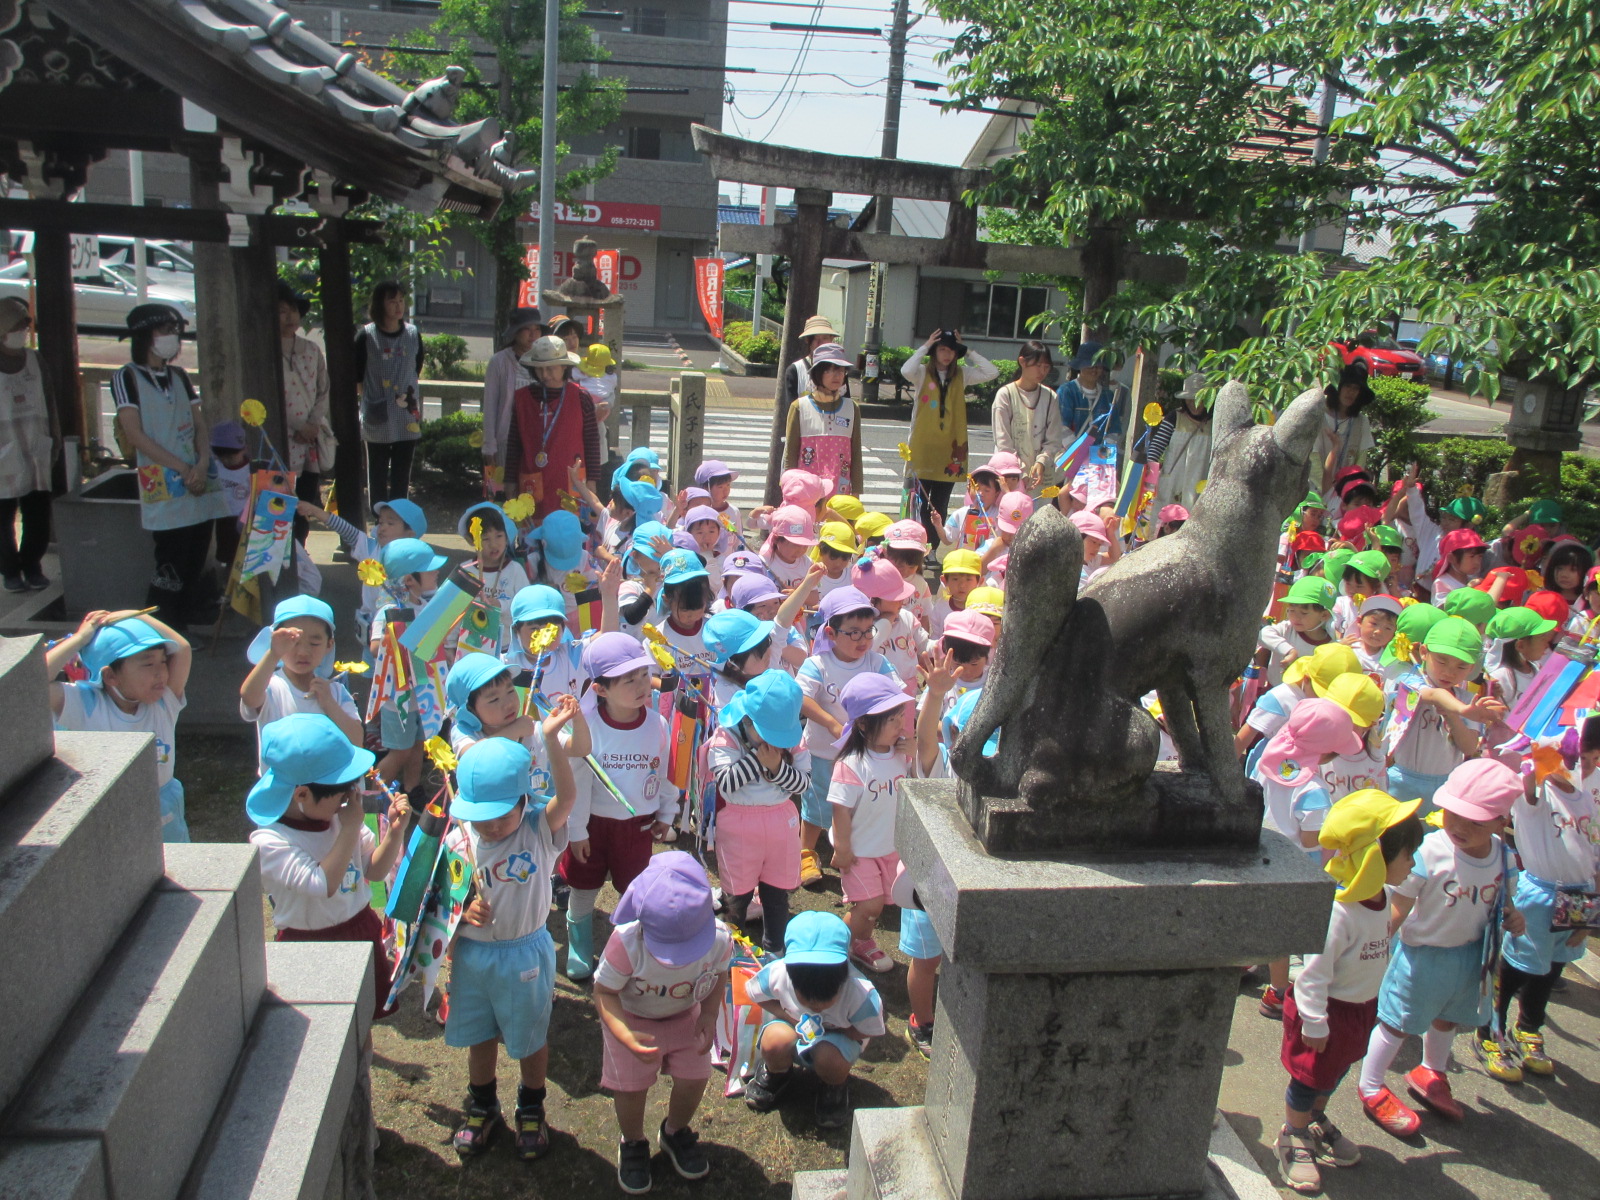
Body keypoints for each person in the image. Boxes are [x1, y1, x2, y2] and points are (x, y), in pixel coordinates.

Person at [1357, 759, 1524, 1136]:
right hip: (1423, 955)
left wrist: (1514, 919)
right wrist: (1372, 944)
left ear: (1501, 822)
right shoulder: (1431, 850)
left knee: (1448, 1016)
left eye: (1476, 822)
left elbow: (1504, 902)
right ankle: (1370, 1084)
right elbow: (1399, 904)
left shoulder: (1504, 856)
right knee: (1397, 1022)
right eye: (1454, 814)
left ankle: (1431, 1069)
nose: (1460, 827)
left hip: (1471, 955)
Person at [1274, 790, 1425, 1194]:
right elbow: (1313, 972)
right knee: (1308, 1079)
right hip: (1325, 1013)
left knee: (1334, 1073)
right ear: (1376, 856)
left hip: (1358, 1011)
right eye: (1407, 854)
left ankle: (1315, 1120)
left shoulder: (1383, 897)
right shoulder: (1339, 911)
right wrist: (1315, 1020)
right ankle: (1292, 1134)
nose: (1412, 863)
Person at [444, 732, 579, 1162]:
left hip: (525, 954)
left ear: (524, 800)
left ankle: (531, 1106)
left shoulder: (537, 830)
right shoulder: (458, 839)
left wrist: (555, 741)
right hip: (472, 956)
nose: (492, 826)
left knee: (529, 1036)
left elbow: (568, 795)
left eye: (501, 815)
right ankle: (482, 1105)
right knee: (479, 1034)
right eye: (481, 817)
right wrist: (462, 912)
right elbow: (443, 894)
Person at [245, 713, 409, 1021]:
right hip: (309, 944)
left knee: (360, 1020)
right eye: (341, 793)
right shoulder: (270, 841)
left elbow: (372, 871)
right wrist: (348, 830)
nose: (350, 800)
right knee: (321, 1026)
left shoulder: (340, 816)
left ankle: (360, 1066)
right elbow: (321, 885)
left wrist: (396, 833)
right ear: (303, 794)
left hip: (360, 927)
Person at [594, 852, 733, 1194]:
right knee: (630, 1087)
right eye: (671, 948)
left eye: (689, 945)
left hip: (686, 1016)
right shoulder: (627, 943)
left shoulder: (718, 938)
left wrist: (711, 1014)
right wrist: (623, 1034)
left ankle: (674, 1131)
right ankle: (633, 1141)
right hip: (632, 1020)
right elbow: (604, 992)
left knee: (695, 1078)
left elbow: (718, 974)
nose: (682, 956)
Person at [1476, 721, 1600, 1083]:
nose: (1585, 768)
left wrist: (1591, 913)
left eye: (1592, 760)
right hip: (1540, 894)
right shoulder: (1537, 793)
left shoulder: (1590, 795)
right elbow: (1521, 763)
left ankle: (1529, 1026)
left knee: (1552, 968)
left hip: (1580, 898)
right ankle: (1489, 1031)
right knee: (1517, 968)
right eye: (1578, 759)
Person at [564, 633, 680, 981]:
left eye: (644, 674)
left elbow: (664, 772)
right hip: (593, 827)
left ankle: (626, 950)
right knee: (584, 887)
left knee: (634, 892)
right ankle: (579, 944)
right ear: (600, 689)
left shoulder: (656, 724)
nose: (642, 684)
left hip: (637, 828)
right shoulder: (588, 726)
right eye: (629, 679)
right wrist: (577, 831)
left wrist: (666, 812)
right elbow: (578, 784)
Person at [112, 302, 230, 630]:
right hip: (163, 480)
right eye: (164, 330)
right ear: (144, 336)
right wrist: (181, 467)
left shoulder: (178, 375)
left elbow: (199, 424)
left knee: (194, 560)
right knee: (170, 564)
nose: (171, 338)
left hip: (197, 480)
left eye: (174, 331)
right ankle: (164, 630)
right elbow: (134, 433)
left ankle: (185, 626)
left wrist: (203, 460)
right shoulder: (126, 377)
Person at [47, 610, 193, 841]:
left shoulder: (164, 702)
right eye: (148, 664)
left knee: (178, 868)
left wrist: (133, 615)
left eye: (163, 662)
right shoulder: (84, 704)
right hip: (109, 810)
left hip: (163, 806)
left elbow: (182, 648)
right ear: (110, 676)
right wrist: (80, 639)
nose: (161, 673)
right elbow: (31, 681)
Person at [795, 587, 903, 886]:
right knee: (818, 802)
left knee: (859, 802)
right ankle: (806, 852)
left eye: (868, 632)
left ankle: (856, 851)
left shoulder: (877, 663)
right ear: (830, 633)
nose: (864, 640)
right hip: (825, 751)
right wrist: (831, 723)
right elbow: (801, 697)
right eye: (853, 633)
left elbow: (899, 693)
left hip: (865, 756)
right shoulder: (818, 664)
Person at [742, 910, 887, 1130]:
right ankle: (777, 1073)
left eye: (827, 997)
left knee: (830, 1059)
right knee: (774, 1042)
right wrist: (786, 1017)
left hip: (838, 1039)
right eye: (805, 996)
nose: (816, 1005)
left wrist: (843, 1033)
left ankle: (833, 1085)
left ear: (844, 972)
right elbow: (754, 993)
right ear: (790, 971)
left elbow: (870, 1028)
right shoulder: (778, 973)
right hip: (794, 1026)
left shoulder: (860, 992)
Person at [708, 669, 809, 956]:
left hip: (782, 823)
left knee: (777, 895)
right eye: (766, 734)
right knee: (736, 896)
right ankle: (732, 950)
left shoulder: (795, 741)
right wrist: (757, 758)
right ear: (747, 719)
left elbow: (802, 783)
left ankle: (774, 949)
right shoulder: (726, 736)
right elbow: (726, 784)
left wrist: (777, 768)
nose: (773, 742)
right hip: (739, 824)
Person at [828, 673, 917, 975]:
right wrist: (842, 849)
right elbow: (840, 810)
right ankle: (860, 943)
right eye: (892, 721)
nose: (901, 727)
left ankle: (841, 937)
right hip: (859, 850)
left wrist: (913, 754)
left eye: (900, 718)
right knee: (871, 906)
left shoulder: (900, 755)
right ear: (864, 724)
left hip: (890, 847)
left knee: (877, 905)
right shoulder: (851, 764)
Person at [239, 595, 362, 769]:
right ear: (275, 642)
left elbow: (357, 741)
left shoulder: (335, 691)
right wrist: (273, 654)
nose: (303, 652)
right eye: (293, 642)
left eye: (314, 643)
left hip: (328, 791)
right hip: (284, 792)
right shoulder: (272, 687)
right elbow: (249, 696)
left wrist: (329, 704)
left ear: (329, 645)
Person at [902, 328, 998, 545]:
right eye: (942, 349)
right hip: (923, 446)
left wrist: (969, 351)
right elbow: (905, 369)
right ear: (934, 351)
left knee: (940, 502)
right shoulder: (921, 373)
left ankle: (934, 547)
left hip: (950, 450)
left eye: (952, 350)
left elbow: (992, 372)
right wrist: (925, 345)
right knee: (918, 501)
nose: (947, 354)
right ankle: (917, 544)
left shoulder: (962, 374)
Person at [508, 335, 601, 520]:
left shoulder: (581, 397)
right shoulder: (522, 398)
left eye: (550, 369)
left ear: (564, 367)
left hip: (571, 481)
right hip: (531, 480)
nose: (545, 375)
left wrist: (592, 484)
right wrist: (509, 483)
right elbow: (514, 444)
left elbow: (592, 443)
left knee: (568, 536)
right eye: (540, 369)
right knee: (534, 538)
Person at [0, 297, 58, 592]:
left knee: (37, 513)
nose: (22, 332)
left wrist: (55, 441)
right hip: (3, 455)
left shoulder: (35, 361)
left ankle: (32, 564)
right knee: (3, 517)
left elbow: (49, 401)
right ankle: (10, 570)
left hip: (35, 449)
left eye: (24, 326)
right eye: (16, 326)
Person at [354, 281, 423, 503]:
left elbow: (416, 367)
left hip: (406, 414)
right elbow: (357, 376)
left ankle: (399, 518)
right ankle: (378, 520)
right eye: (392, 301)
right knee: (377, 471)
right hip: (377, 412)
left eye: (401, 300)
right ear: (379, 304)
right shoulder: (366, 336)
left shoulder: (413, 334)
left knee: (403, 473)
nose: (398, 306)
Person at [277, 282, 335, 544]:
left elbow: (324, 390)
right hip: (281, 439)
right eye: (281, 312)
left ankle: (300, 552)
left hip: (309, 440)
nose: (289, 318)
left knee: (304, 503)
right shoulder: (263, 352)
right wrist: (297, 425)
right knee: (278, 504)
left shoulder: (312, 350)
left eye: (293, 311)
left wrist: (312, 424)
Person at [783, 342, 862, 497]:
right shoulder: (799, 406)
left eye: (840, 370)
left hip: (841, 489)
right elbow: (790, 452)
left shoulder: (852, 408)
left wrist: (857, 491)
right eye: (829, 370)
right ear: (818, 373)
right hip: (806, 490)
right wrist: (788, 486)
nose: (837, 375)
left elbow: (856, 452)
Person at [481, 306, 544, 497]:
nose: (533, 334)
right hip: (505, 439)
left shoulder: (545, 362)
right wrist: (489, 444)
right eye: (527, 329)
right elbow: (490, 404)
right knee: (501, 496)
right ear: (516, 332)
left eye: (537, 329)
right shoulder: (499, 362)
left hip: (536, 440)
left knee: (531, 496)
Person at [990, 340, 1063, 492]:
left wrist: (1042, 461)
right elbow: (1003, 441)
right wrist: (1021, 470)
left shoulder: (1050, 397)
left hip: (1041, 475)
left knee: (1039, 515)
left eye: (1046, 367)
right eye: (1038, 365)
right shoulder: (1006, 395)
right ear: (1022, 362)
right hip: (1010, 474)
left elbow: (1054, 439)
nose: (1042, 371)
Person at [1149, 373, 1213, 518]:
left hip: (1199, 481)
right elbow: (1157, 446)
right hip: (1173, 481)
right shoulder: (1174, 418)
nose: (1193, 403)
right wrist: (1150, 471)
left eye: (1198, 399)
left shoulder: (1213, 423)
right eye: (1189, 399)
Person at [1056, 341, 1127, 453]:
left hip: (1098, 459)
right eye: (1090, 365)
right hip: (1069, 456)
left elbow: (1114, 429)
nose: (1094, 370)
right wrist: (1076, 452)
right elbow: (1060, 426)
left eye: (1098, 366)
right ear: (1080, 366)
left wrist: (1103, 451)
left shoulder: (1108, 395)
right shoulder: (1066, 391)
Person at [781, 315, 851, 411]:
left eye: (825, 338)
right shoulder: (795, 370)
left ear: (831, 339)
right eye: (815, 338)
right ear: (807, 340)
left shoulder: (839, 368)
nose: (820, 343)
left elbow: (846, 406)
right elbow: (791, 411)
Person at [209, 419, 251, 574]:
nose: (226, 459)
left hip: (245, 521)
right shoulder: (215, 466)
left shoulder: (251, 470)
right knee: (227, 557)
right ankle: (227, 586)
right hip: (224, 518)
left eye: (232, 455)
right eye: (221, 455)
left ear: (244, 449)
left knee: (244, 557)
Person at [575, 341, 618, 426]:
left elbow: (573, 374)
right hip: (603, 404)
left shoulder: (582, 372)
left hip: (585, 400)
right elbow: (612, 390)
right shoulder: (612, 377)